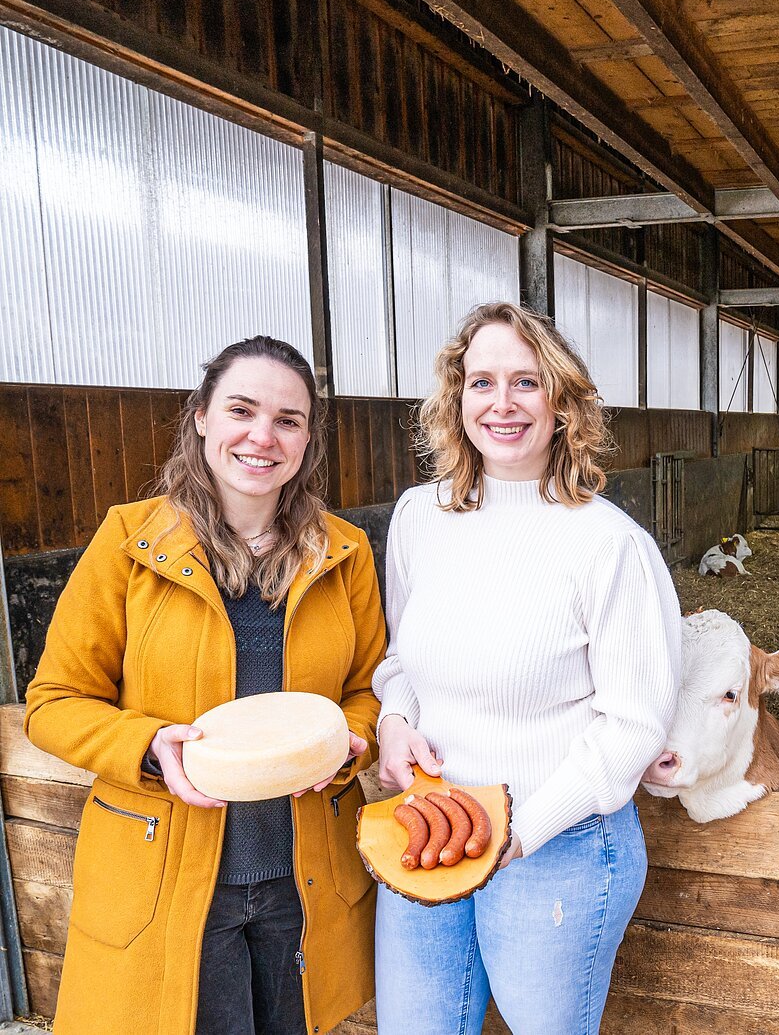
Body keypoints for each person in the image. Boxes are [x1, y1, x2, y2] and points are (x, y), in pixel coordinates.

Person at [24, 337, 385, 1035]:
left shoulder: (344, 552)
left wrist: (350, 739)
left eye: (288, 420)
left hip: (303, 877)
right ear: (201, 417)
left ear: (308, 439)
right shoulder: (129, 543)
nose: (262, 436)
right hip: (167, 875)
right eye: (241, 410)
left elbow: (369, 689)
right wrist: (150, 745)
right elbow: (53, 702)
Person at [372, 301, 681, 1034]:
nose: (502, 403)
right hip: (430, 825)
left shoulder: (608, 544)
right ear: (457, 400)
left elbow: (634, 723)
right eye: (481, 383)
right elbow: (402, 658)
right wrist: (394, 720)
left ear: (562, 402)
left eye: (526, 382)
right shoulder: (419, 517)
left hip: (559, 843)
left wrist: (522, 830)